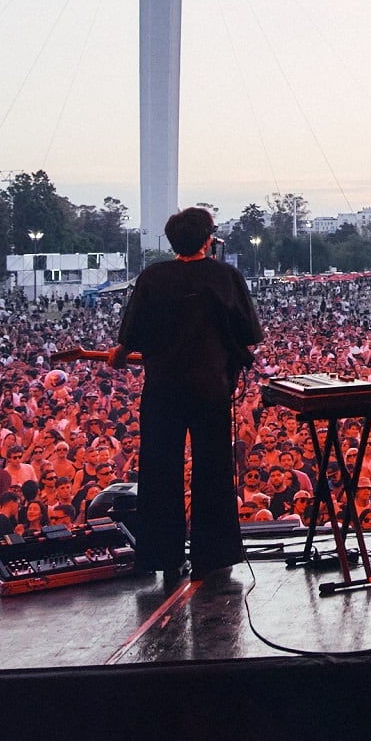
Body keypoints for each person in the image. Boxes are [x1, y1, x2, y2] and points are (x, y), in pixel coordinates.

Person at [110, 207, 263, 582]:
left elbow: (128, 340)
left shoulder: (153, 278)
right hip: (211, 388)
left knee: (160, 470)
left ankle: (163, 554)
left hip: (163, 389)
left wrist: (120, 354)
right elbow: (249, 335)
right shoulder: (225, 277)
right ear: (209, 239)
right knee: (213, 468)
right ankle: (214, 555)